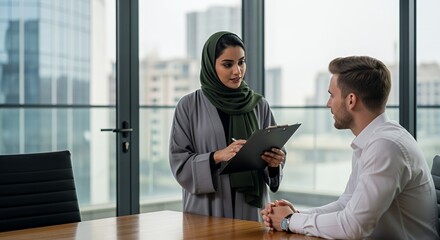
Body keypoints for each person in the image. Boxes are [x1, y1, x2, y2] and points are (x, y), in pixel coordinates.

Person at [261, 56, 440, 239]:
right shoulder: (373, 140)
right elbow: (346, 203)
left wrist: (289, 221)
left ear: (351, 100)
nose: (328, 103)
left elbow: (353, 227)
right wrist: (298, 215)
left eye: (332, 95)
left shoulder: (386, 147)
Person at [169, 31, 286, 221]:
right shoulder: (189, 106)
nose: (237, 71)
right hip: (207, 208)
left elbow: (273, 156)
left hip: (250, 210)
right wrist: (217, 156)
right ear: (210, 65)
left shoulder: (259, 105)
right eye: (227, 64)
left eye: (241, 62)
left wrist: (274, 163)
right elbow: (179, 161)